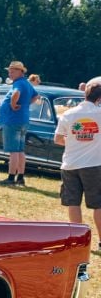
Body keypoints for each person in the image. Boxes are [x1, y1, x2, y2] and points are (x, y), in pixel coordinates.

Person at [55, 80, 101, 241]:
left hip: (70, 164)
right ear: (99, 98)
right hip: (93, 164)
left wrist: (75, 141)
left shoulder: (68, 113)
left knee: (73, 203)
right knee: (98, 205)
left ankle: (77, 239)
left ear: (85, 94)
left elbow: (58, 139)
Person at [0, 61, 35, 186]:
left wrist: (13, 104)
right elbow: (36, 96)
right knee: (20, 150)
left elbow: (16, 93)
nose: (10, 73)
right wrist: (26, 104)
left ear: (20, 72)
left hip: (13, 120)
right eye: (9, 71)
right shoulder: (27, 84)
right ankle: (20, 177)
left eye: (12, 71)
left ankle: (11, 178)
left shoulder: (18, 84)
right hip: (23, 120)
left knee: (13, 151)